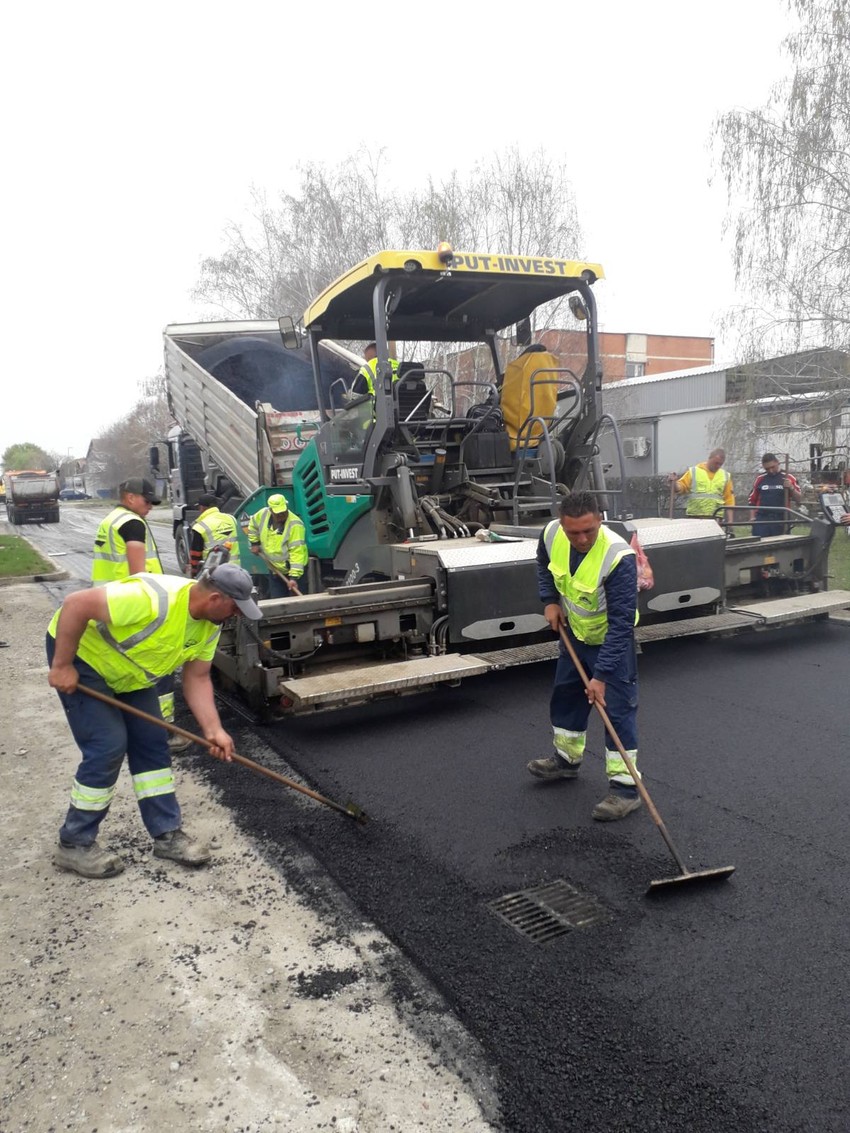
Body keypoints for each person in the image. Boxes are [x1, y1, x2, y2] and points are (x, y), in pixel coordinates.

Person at [47, 562, 262, 879]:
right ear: (216, 598)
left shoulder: (210, 625)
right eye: (235, 608)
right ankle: (74, 843)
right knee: (108, 745)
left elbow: (198, 678)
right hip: (86, 660)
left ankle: (166, 834)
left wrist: (214, 730)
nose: (237, 615)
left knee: (152, 741)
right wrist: (62, 664)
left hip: (131, 676)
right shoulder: (152, 599)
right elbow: (76, 603)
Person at [527, 492, 642, 821]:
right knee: (566, 697)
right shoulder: (551, 534)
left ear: (599, 520)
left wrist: (600, 677)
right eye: (573, 532)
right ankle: (565, 761)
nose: (581, 539)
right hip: (575, 635)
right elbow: (543, 564)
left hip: (611, 644)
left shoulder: (618, 557)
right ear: (562, 525)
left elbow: (621, 623)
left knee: (617, 714)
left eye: (588, 531)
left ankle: (625, 790)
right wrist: (549, 600)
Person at [91, 477, 188, 751]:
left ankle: (131, 725)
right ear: (130, 496)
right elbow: (139, 574)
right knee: (160, 667)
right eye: (147, 501)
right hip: (136, 606)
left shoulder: (111, 519)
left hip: (112, 605)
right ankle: (164, 733)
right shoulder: (132, 524)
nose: (150, 507)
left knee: (126, 668)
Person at [247, 493, 308, 598]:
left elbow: (297, 552)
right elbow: (253, 526)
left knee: (298, 604)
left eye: (283, 512)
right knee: (278, 601)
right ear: (270, 510)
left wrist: (294, 578)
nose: (281, 516)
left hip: (293, 570)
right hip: (274, 569)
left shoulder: (295, 525)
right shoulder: (262, 515)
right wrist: (255, 543)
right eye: (278, 514)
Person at [669, 448, 735, 524]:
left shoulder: (725, 476)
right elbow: (681, 487)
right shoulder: (694, 472)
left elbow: (729, 500)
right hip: (695, 517)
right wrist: (674, 483)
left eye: (720, 464)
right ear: (709, 459)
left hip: (716, 518)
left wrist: (730, 521)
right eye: (716, 463)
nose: (718, 466)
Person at [748, 453, 802, 536]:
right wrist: (752, 517)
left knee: (780, 546)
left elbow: (799, 500)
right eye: (767, 469)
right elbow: (752, 500)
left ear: (777, 462)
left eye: (773, 467)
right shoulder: (760, 479)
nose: (770, 471)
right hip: (762, 519)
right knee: (759, 545)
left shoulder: (789, 477)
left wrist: (791, 487)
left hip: (781, 519)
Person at [189, 492, 241, 577]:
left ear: (202, 507)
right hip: (235, 568)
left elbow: (196, 554)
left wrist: (194, 572)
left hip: (213, 571)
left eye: (198, 507)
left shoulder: (200, 526)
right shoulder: (231, 518)